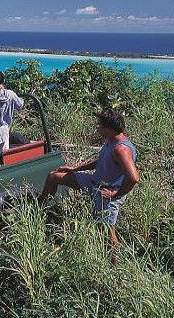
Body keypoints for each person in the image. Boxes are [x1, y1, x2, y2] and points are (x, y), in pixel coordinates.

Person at [41, 109, 138, 263]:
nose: (97, 129)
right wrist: (75, 168)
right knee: (53, 177)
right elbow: (101, 161)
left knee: (107, 231)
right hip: (94, 183)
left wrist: (116, 194)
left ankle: (116, 270)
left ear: (108, 128)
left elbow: (133, 178)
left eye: (99, 126)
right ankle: (41, 214)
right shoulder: (110, 141)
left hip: (106, 193)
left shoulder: (121, 149)